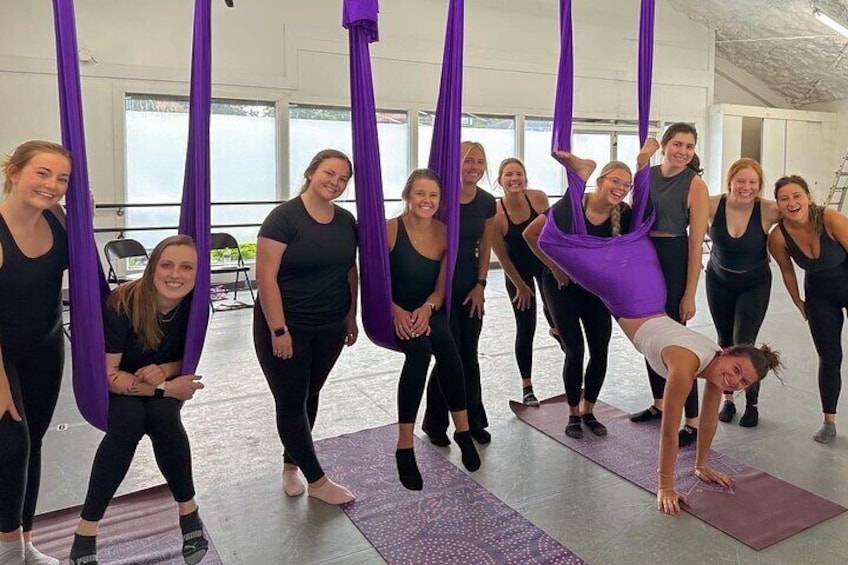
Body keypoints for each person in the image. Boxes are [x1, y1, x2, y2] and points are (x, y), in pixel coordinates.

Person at [547, 148, 781, 516]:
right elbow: (670, 432)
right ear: (730, 353)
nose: (732, 381)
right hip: (628, 300)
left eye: (741, 383)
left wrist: (702, 465)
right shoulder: (686, 367)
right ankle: (581, 179)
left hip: (651, 293)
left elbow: (705, 422)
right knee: (555, 244)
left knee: (626, 244)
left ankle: (632, 173)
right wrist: (666, 487)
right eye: (737, 371)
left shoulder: (715, 362)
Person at [69, 235, 208, 565]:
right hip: (119, 385)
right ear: (152, 268)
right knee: (128, 422)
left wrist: (164, 370)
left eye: (186, 267)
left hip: (160, 384)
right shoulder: (121, 304)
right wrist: (165, 388)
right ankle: (86, 530)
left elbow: (186, 356)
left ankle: (189, 514)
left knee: (163, 417)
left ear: (197, 273)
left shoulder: (196, 306)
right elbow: (110, 376)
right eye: (167, 265)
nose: (176, 275)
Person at [253, 149, 359, 504]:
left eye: (343, 178)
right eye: (329, 173)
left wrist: (350, 316)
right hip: (288, 326)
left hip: (329, 326)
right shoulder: (284, 218)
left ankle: (291, 464)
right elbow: (265, 278)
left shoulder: (346, 221)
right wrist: (279, 331)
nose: (335, 182)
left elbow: (349, 272)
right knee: (290, 400)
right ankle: (317, 480)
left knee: (310, 395)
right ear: (311, 172)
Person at [524, 160, 634, 438]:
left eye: (626, 185)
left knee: (600, 350)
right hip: (563, 286)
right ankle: (573, 413)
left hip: (595, 288)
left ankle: (589, 410)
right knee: (575, 351)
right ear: (600, 181)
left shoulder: (624, 212)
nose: (620, 188)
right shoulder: (573, 204)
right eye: (615, 181)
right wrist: (555, 267)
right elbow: (531, 233)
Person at [0, 140, 71, 565]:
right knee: (11, 446)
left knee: (35, 444)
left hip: (46, 344)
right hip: (3, 352)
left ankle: (25, 542)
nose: (52, 185)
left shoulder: (58, 219)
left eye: (62, 178)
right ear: (14, 172)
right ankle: (7, 550)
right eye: (42, 173)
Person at [388, 169, 481, 490]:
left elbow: (442, 289)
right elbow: (375, 283)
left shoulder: (445, 233)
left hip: (429, 307)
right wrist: (395, 310)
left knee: (450, 352)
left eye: (433, 195)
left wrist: (427, 308)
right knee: (418, 354)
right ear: (407, 196)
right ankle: (404, 446)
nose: (426, 201)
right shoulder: (389, 230)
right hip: (394, 309)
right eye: (420, 194)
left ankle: (463, 431)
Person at [630, 123, 710, 449]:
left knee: (677, 344)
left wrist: (689, 292)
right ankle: (659, 403)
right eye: (677, 144)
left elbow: (695, 244)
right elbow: (637, 210)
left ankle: (692, 422)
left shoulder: (695, 185)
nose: (683, 151)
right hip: (646, 256)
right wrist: (642, 159)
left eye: (689, 146)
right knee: (650, 335)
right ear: (664, 145)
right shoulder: (647, 175)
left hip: (675, 256)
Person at [423, 141, 497, 446]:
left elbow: (486, 247)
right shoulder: (440, 199)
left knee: (469, 354)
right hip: (438, 283)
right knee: (447, 354)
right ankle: (435, 421)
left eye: (480, 162)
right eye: (468, 161)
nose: (474, 168)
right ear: (456, 164)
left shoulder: (487, 202)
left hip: (469, 284)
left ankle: (473, 421)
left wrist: (480, 286)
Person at [768, 175, 848, 444]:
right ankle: (829, 421)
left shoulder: (830, 219)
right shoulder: (778, 236)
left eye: (797, 196)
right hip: (819, 295)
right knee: (829, 356)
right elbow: (787, 271)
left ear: (808, 197)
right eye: (785, 198)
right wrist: (798, 302)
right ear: (778, 204)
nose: (792, 202)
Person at [707, 159, 780, 428]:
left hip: (754, 284)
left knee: (745, 343)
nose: (746, 187)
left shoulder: (769, 210)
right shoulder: (713, 204)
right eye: (741, 181)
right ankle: (728, 400)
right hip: (718, 280)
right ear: (730, 182)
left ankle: (752, 403)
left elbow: (803, 216)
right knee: (725, 341)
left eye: (752, 182)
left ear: (760, 186)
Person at [490, 158, 551, 406]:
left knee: (559, 318)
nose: (514, 179)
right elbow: (501, 256)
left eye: (519, 174)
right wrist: (521, 286)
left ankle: (561, 341)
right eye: (508, 175)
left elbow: (550, 235)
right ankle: (527, 386)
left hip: (544, 264)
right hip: (517, 271)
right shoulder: (496, 213)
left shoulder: (538, 199)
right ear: (500, 180)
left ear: (525, 177)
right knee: (526, 327)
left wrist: (558, 268)